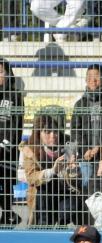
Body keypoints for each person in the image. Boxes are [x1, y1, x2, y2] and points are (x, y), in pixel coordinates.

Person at [20, 112, 83, 227]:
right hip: (43, 192)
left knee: (67, 212)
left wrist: (73, 170)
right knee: (43, 202)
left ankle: (62, 228)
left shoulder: (68, 143)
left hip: (65, 189)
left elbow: (76, 180)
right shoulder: (30, 148)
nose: (53, 135)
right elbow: (31, 177)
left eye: (55, 131)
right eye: (47, 132)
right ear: (39, 133)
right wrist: (53, 170)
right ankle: (44, 229)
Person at [69, 65, 102, 192]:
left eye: (97, 77)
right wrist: (84, 149)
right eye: (90, 77)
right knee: (87, 187)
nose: (93, 80)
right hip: (86, 156)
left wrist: (101, 147)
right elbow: (75, 131)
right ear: (86, 80)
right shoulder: (80, 104)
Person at [0, 59, 23, 226]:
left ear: (8, 74)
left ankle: (8, 214)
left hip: (7, 150)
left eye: (1, 72)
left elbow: (16, 126)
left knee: (7, 184)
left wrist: (5, 144)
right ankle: (8, 214)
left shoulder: (15, 95)